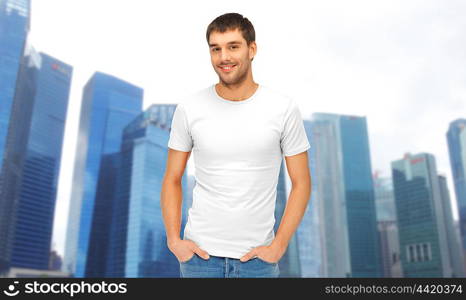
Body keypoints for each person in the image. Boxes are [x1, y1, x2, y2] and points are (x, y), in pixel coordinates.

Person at [161, 12, 311, 278]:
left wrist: (278, 246)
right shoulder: (189, 108)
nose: (224, 57)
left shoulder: (283, 108)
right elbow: (172, 177)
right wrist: (174, 241)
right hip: (199, 261)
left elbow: (301, 182)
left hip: (257, 263)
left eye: (233, 46)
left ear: (252, 49)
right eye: (215, 49)